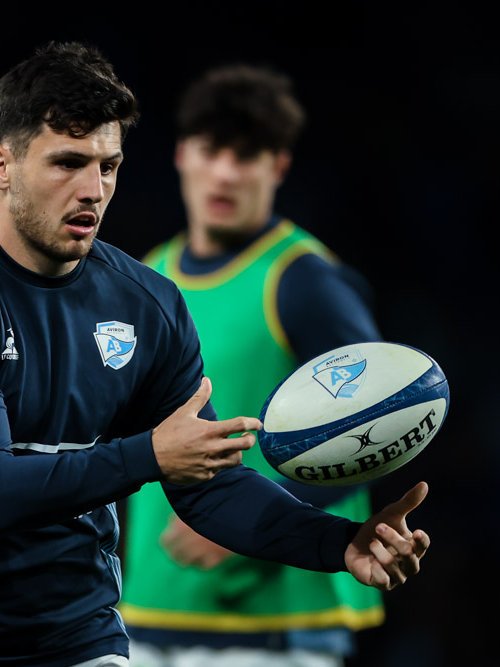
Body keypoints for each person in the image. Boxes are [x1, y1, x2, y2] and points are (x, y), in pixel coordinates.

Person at [0, 42, 430, 667]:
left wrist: (340, 542)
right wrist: (149, 453)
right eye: (67, 163)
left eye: (107, 166)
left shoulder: (148, 303)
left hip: (76, 639)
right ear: (0, 166)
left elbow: (210, 489)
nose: (92, 189)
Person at [120, 64, 389, 667]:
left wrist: (250, 519)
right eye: (212, 150)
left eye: (246, 156)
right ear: (183, 154)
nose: (224, 172)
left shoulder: (304, 281)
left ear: (278, 167)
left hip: (275, 624)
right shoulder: (146, 278)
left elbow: (381, 426)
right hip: (148, 611)